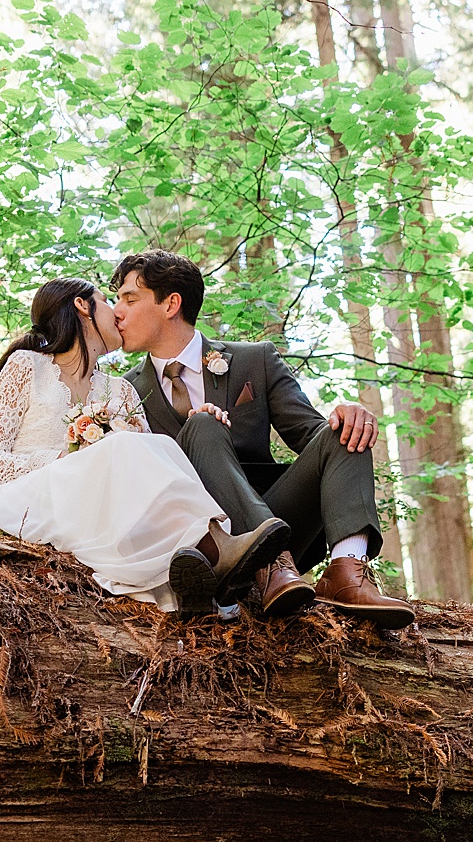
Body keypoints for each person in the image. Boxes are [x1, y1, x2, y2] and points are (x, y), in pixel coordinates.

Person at [110, 250, 415, 628]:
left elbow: (311, 436)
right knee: (203, 425)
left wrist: (347, 413)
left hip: (281, 525)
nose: (116, 311)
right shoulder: (122, 393)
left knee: (344, 429)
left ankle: (346, 572)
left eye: (129, 298)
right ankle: (265, 563)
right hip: (201, 546)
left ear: (171, 303)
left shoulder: (255, 360)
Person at [0, 278, 292, 613]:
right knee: (122, 447)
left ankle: (197, 570)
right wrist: (64, 459)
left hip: (97, 509)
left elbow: (149, 474)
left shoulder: (122, 390)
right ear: (83, 306)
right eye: (107, 299)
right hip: (31, 502)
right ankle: (216, 552)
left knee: (155, 448)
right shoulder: (28, 366)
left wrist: (195, 422)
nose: (117, 312)